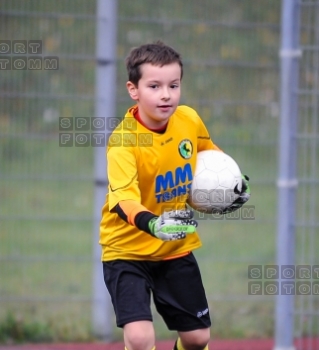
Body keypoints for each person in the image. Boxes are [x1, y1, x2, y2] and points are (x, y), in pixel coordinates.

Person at [99, 41, 250, 350]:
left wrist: (233, 185)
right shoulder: (124, 142)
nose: (166, 94)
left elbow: (208, 153)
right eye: (154, 86)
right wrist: (154, 224)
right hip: (126, 251)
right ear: (134, 89)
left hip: (175, 247)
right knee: (140, 338)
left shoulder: (188, 120)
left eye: (174, 85)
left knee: (197, 339)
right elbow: (122, 201)